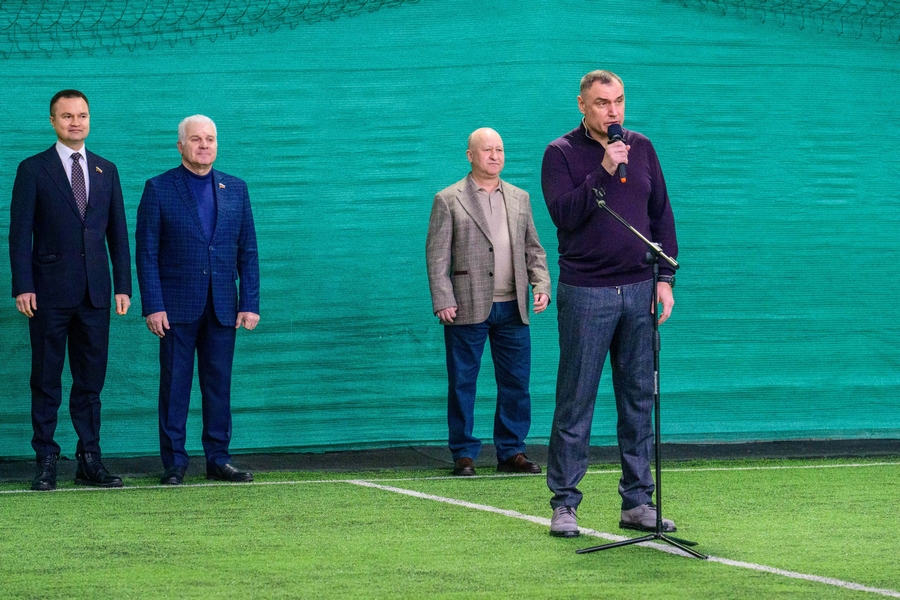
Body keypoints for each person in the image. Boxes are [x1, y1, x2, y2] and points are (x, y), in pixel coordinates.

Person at [542, 71, 679, 537]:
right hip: (586, 292)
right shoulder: (560, 153)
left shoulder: (642, 147)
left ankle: (637, 501)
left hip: (640, 289)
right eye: (602, 103)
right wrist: (602, 168)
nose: (613, 111)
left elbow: (661, 216)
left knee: (639, 399)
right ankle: (564, 503)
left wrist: (665, 280)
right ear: (582, 104)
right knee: (576, 399)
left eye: (618, 101)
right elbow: (564, 216)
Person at [9, 89, 132, 491]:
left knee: (90, 382)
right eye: (67, 116)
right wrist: (23, 285)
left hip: (96, 294)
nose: (75, 122)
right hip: (47, 293)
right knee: (46, 379)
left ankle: (89, 459)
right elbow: (19, 234)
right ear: (52, 121)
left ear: (89, 119)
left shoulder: (106, 170)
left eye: (81, 115)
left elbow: (118, 234)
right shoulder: (33, 169)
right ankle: (46, 460)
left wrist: (123, 285)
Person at [136, 115, 260, 486]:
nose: (204, 145)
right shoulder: (159, 188)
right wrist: (153, 305)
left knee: (219, 385)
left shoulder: (236, 188)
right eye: (195, 139)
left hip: (223, 306)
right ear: (180, 146)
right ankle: (174, 462)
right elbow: (147, 252)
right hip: (175, 307)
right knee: (175, 386)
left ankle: (218, 459)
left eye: (210, 139)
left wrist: (249, 302)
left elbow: (248, 251)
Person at [426, 127, 552, 477]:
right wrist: (443, 298)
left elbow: (534, 249)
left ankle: (511, 451)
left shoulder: (520, 197)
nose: (495, 156)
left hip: (514, 306)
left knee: (516, 383)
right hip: (466, 304)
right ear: (470, 156)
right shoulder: (448, 199)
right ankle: (464, 454)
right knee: (462, 382)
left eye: (499, 149)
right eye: (487, 150)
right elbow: (437, 256)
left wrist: (541, 284)